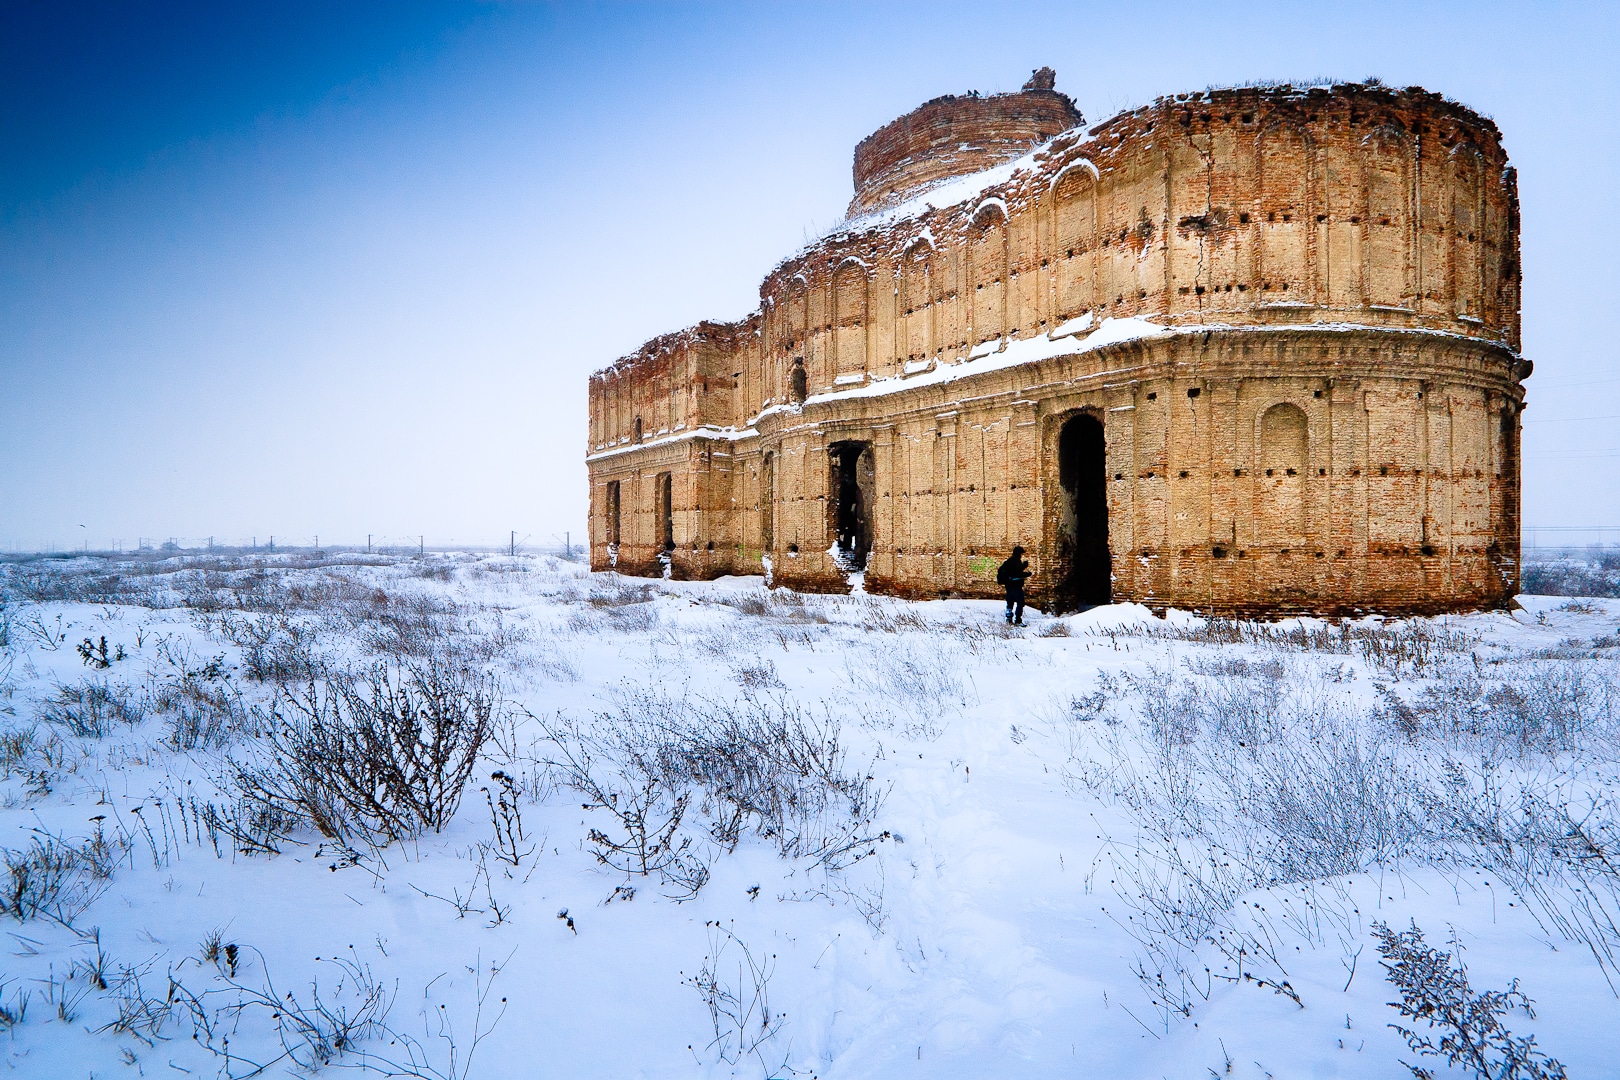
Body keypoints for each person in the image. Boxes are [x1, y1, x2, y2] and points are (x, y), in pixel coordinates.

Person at [997, 545, 1029, 625]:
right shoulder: (1016, 560)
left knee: (1010, 602)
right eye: (1021, 553)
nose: (1021, 555)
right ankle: (1018, 620)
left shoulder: (1009, 561)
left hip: (1009, 585)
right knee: (1020, 602)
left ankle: (1008, 618)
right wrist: (1025, 569)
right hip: (1015, 585)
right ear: (1019, 553)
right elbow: (1018, 572)